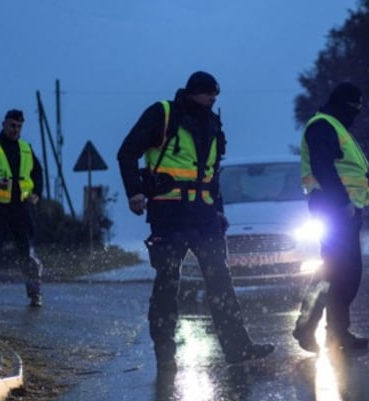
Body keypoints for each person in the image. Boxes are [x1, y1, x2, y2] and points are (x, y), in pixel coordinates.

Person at [116, 70, 274, 372]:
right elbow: (126, 152)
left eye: (216, 95)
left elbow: (212, 173)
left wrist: (218, 209)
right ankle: (165, 355)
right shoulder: (163, 114)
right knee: (168, 284)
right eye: (209, 94)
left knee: (221, 282)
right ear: (193, 93)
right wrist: (134, 192)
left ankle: (238, 348)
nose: (213, 100)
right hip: (169, 214)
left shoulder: (213, 124)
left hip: (204, 216)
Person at [292, 82, 369, 353]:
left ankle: (337, 331)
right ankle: (311, 328)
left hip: (344, 208)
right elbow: (323, 167)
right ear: (344, 104)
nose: (357, 113)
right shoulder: (323, 125)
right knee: (335, 270)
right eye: (354, 107)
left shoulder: (335, 126)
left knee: (345, 272)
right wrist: (342, 202)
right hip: (334, 207)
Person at [0, 109, 44, 308]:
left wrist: (37, 192)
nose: (15, 129)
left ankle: (35, 295)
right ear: (4, 124)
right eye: (12, 125)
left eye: (19, 126)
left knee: (27, 253)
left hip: (21, 208)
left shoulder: (26, 148)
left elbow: (38, 172)